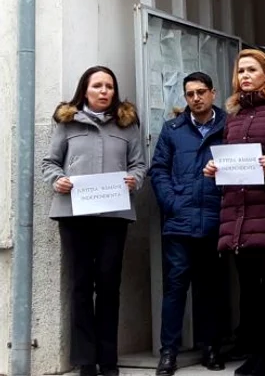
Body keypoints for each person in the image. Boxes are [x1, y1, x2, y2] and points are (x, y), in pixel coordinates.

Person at [204, 49, 265, 376]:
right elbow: (232, 161)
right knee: (249, 288)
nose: (245, 75)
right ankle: (256, 355)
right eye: (241, 71)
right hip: (238, 211)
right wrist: (215, 168)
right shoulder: (233, 118)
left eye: (252, 70)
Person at [41, 66, 146, 376]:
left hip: (114, 216)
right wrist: (58, 180)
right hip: (75, 216)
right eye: (98, 86)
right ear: (84, 90)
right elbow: (49, 162)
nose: (105, 91)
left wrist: (133, 180)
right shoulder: (67, 123)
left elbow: (139, 165)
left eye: (109, 86)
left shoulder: (127, 125)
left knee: (109, 285)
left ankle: (108, 359)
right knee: (81, 285)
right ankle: (86, 360)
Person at [149, 72, 227, 375]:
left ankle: (211, 349)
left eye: (201, 92)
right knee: (175, 289)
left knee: (211, 289)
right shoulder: (172, 129)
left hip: (215, 219)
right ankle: (168, 352)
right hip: (180, 222)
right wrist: (171, 203)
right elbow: (159, 170)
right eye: (190, 93)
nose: (196, 98)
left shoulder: (228, 126)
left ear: (213, 93)